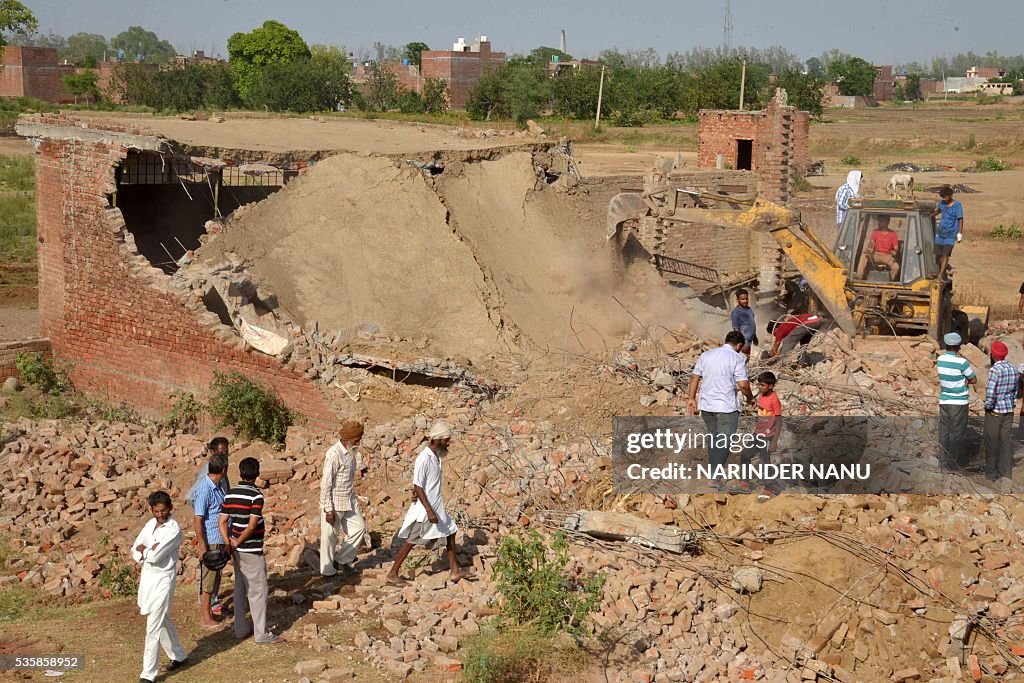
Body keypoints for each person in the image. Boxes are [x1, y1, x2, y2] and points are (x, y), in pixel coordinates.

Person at [387, 421, 471, 586]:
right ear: (437, 439)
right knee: (413, 540)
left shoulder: (436, 458)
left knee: (451, 532)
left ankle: (454, 570)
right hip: (427, 510)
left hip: (436, 506)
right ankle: (392, 573)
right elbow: (418, 485)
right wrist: (429, 511)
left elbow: (423, 485)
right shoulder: (424, 458)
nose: (448, 442)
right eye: (446, 439)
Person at [219, 457, 283, 644]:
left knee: (239, 588)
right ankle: (262, 633)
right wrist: (238, 541)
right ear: (256, 475)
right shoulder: (256, 496)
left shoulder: (230, 494)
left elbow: (222, 521)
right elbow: (252, 524)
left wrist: (229, 543)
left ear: (240, 473)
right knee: (258, 591)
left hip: (236, 550)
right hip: (251, 549)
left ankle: (240, 629)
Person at [132, 491, 187, 683]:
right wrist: (146, 551)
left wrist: (144, 551)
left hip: (164, 579)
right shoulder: (150, 524)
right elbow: (135, 548)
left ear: (170, 509)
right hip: (148, 578)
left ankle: (148, 674)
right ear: (151, 510)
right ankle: (179, 655)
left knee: (153, 626)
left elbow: (155, 556)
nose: (160, 515)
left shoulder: (173, 529)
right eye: (156, 511)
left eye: (163, 511)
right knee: (160, 618)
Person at [686, 331, 756, 475]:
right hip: (726, 407)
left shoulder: (706, 355)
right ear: (739, 345)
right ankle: (714, 476)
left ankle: (713, 470)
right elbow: (743, 384)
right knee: (725, 442)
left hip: (706, 406)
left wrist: (691, 399)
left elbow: (694, 377)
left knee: (714, 438)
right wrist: (750, 398)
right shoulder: (737, 358)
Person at [185, 437, 229, 617]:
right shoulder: (207, 480)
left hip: (219, 534)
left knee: (216, 572)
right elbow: (194, 503)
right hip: (210, 535)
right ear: (212, 453)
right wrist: (202, 543)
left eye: (226, 452)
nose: (224, 455)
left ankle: (212, 603)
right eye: (221, 452)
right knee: (209, 576)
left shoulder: (220, 477)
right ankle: (207, 611)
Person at [320, 420, 368, 578]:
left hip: (349, 500)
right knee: (330, 537)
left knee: (359, 527)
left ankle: (341, 559)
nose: (358, 442)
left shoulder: (351, 452)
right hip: (334, 503)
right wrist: (328, 509)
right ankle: (327, 572)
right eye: (357, 439)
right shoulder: (334, 454)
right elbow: (326, 483)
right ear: (349, 438)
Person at [193, 452, 228, 629]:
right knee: (207, 582)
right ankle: (206, 619)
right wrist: (202, 546)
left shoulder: (219, 485)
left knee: (215, 579)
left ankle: (211, 612)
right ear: (223, 469)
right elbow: (197, 519)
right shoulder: (204, 490)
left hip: (219, 538)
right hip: (210, 540)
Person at [937, 331, 976, 469]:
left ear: (946, 344)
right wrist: (964, 381)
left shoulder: (940, 360)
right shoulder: (962, 362)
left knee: (944, 431)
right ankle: (953, 464)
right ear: (959, 346)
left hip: (944, 401)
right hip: (959, 402)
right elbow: (974, 379)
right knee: (957, 433)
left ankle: (942, 462)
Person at [984, 340, 1019, 486]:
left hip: (995, 411)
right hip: (1009, 410)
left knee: (991, 442)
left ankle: (991, 474)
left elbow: (991, 392)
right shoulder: (1013, 369)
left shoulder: (994, 370)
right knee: (1006, 442)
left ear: (993, 354)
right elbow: (1015, 392)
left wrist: (988, 406)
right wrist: (1012, 405)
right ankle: (1006, 472)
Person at [931, 185, 964, 280]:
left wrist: (959, 233)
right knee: (938, 255)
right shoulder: (942, 203)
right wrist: (928, 216)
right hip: (940, 233)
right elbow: (938, 211)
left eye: (945, 197)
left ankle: (940, 274)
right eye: (943, 197)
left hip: (950, 234)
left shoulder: (957, 205)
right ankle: (945, 269)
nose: (944, 199)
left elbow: (960, 219)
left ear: (950, 195)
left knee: (946, 254)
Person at [856, 215, 900, 280]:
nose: (879, 223)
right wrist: (869, 248)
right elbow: (871, 243)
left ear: (887, 222)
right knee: (864, 256)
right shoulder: (875, 232)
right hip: (876, 254)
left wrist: (894, 252)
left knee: (896, 267)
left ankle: (889, 281)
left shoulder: (893, 234)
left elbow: (896, 248)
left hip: (887, 256)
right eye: (879, 221)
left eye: (881, 221)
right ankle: (859, 276)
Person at [730, 289, 757, 356]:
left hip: (749, 342)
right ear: (737, 300)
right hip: (743, 342)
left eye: (746, 299)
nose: (745, 301)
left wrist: (754, 337)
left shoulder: (749, 309)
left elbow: (751, 323)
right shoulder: (736, 313)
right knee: (743, 360)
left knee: (747, 359)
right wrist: (742, 343)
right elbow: (736, 330)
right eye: (742, 299)